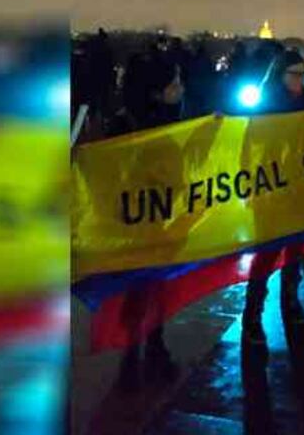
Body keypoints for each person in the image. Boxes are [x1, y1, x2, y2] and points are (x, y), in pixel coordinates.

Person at [105, 55, 185, 387]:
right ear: (156, 92)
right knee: (142, 289)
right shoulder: (130, 125)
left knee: (152, 287)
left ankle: (147, 347)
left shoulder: (169, 119)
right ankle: (138, 352)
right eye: (174, 83)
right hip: (139, 221)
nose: (181, 89)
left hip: (155, 218)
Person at [243, 50, 304, 346]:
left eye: (303, 73)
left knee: (296, 248)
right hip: (271, 186)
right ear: (281, 74)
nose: (300, 80)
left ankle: (290, 297)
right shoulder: (265, 104)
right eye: (295, 74)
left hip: (300, 182)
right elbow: (249, 143)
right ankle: (254, 311)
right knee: (267, 251)